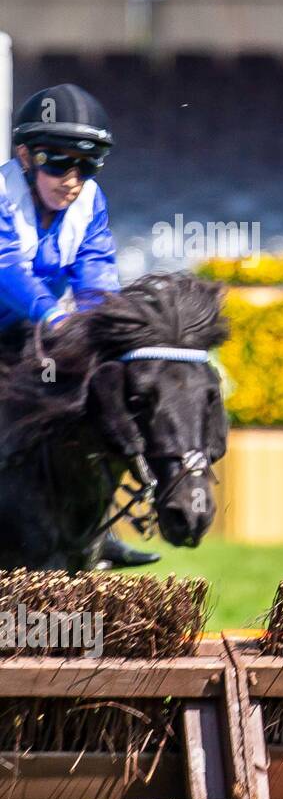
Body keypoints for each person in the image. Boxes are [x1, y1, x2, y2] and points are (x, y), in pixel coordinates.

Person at [0, 83, 159, 568]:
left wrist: (100, 328)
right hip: (21, 321)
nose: (72, 178)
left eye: (86, 166)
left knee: (100, 392)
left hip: (34, 336)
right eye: (57, 162)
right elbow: (6, 269)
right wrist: (56, 315)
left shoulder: (91, 202)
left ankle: (96, 527)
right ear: (25, 156)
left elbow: (96, 272)